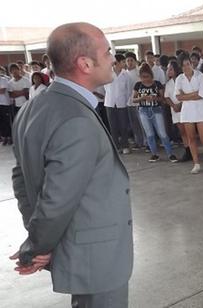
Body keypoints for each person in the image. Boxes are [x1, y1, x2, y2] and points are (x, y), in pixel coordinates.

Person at [11, 22, 132, 307]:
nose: (114, 58)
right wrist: (38, 246)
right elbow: (58, 199)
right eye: (107, 52)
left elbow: (21, 178)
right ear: (85, 64)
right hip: (96, 257)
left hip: (80, 250)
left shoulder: (33, 106)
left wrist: (37, 235)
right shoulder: (76, 119)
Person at [175, 55, 203, 173]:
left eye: (188, 64)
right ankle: (196, 164)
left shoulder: (200, 75)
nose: (186, 67)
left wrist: (186, 95)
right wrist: (192, 94)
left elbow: (201, 95)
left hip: (201, 110)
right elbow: (178, 97)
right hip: (187, 111)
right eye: (183, 65)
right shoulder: (179, 78)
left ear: (192, 64)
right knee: (191, 138)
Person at [132, 63, 178, 163]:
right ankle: (154, 154)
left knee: (162, 133)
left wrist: (155, 98)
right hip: (143, 111)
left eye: (147, 76)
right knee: (149, 134)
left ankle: (170, 153)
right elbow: (133, 99)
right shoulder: (138, 85)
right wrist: (142, 98)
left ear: (151, 75)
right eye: (143, 77)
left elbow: (163, 98)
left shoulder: (156, 84)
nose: (145, 79)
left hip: (156, 110)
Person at [164, 60, 192, 162]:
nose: (168, 71)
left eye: (170, 69)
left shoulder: (183, 79)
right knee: (182, 132)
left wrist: (180, 104)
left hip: (185, 107)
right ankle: (187, 150)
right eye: (168, 69)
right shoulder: (169, 83)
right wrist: (174, 106)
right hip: (175, 110)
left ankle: (193, 150)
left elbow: (187, 93)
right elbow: (166, 97)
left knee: (189, 131)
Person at [104, 53, 132, 154]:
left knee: (123, 125)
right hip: (110, 103)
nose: (125, 64)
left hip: (122, 103)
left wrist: (125, 100)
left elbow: (129, 90)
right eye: (123, 62)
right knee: (113, 126)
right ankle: (115, 146)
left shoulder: (126, 74)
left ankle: (125, 145)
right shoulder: (108, 73)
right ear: (117, 62)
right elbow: (105, 87)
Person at [125, 52, 146, 150]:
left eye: (131, 60)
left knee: (142, 123)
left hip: (139, 101)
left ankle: (146, 142)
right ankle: (139, 142)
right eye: (127, 60)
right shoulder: (124, 73)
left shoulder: (139, 72)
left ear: (135, 61)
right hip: (129, 102)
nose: (129, 62)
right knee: (134, 124)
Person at [0, 71, 12, 145]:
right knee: (1, 122)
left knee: (6, 121)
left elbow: (2, 91)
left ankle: (10, 137)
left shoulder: (3, 79)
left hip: (5, 103)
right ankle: (4, 137)